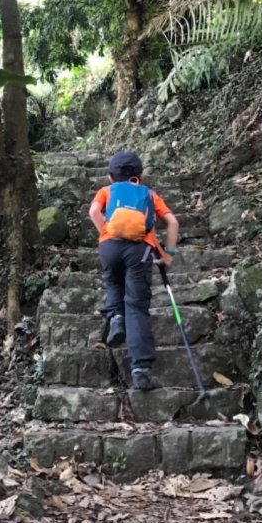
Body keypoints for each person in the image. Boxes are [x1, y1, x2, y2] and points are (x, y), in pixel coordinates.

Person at [88, 150, 180, 391]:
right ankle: (141, 371)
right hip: (140, 250)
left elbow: (94, 212)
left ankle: (116, 318)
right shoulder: (148, 194)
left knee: (113, 282)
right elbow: (172, 222)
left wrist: (105, 232)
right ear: (140, 176)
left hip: (110, 247)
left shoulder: (106, 191)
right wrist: (168, 255)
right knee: (137, 307)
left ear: (110, 176)